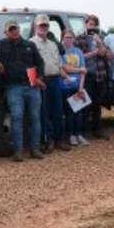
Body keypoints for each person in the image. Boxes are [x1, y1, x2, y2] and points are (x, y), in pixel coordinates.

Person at [0, 20, 45, 162]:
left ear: (19, 29)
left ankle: (35, 149)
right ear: (5, 32)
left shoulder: (30, 45)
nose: (14, 31)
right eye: (11, 29)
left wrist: (39, 77)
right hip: (13, 87)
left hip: (33, 86)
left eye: (15, 28)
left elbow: (40, 63)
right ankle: (18, 151)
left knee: (35, 117)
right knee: (16, 118)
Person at [31, 14, 69, 153]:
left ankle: (59, 139)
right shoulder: (31, 44)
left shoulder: (53, 44)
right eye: (41, 25)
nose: (44, 28)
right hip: (41, 81)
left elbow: (58, 64)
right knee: (44, 113)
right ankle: (48, 141)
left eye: (46, 25)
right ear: (36, 26)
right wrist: (36, 80)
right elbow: (30, 66)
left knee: (58, 111)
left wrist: (65, 77)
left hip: (55, 80)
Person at [74, 14, 112, 140]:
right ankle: (85, 131)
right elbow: (78, 57)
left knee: (98, 103)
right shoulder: (79, 38)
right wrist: (92, 53)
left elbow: (103, 53)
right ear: (85, 24)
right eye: (91, 24)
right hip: (86, 75)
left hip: (99, 74)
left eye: (95, 25)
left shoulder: (100, 38)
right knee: (85, 104)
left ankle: (97, 130)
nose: (93, 27)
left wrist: (100, 42)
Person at [60, 29, 88, 147]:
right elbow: (64, 68)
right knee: (69, 112)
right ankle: (70, 135)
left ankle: (78, 134)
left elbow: (84, 70)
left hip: (77, 86)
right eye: (66, 37)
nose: (69, 40)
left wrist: (81, 87)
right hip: (65, 86)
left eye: (71, 37)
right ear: (62, 38)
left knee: (78, 111)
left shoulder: (78, 52)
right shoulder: (61, 52)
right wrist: (79, 69)